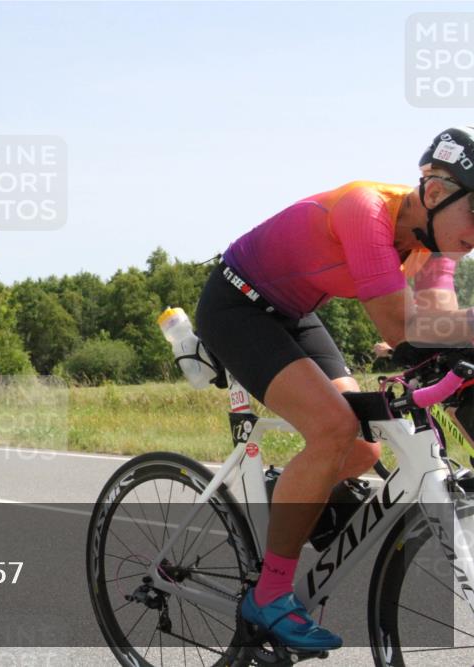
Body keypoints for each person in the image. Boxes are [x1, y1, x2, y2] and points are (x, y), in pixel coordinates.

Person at [194, 126, 474, 651]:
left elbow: (437, 322)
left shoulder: (435, 242)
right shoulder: (365, 209)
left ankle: (290, 492)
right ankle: (269, 595)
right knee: (333, 427)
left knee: (364, 443)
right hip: (236, 304)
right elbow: (400, 324)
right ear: (436, 193)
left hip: (295, 313)